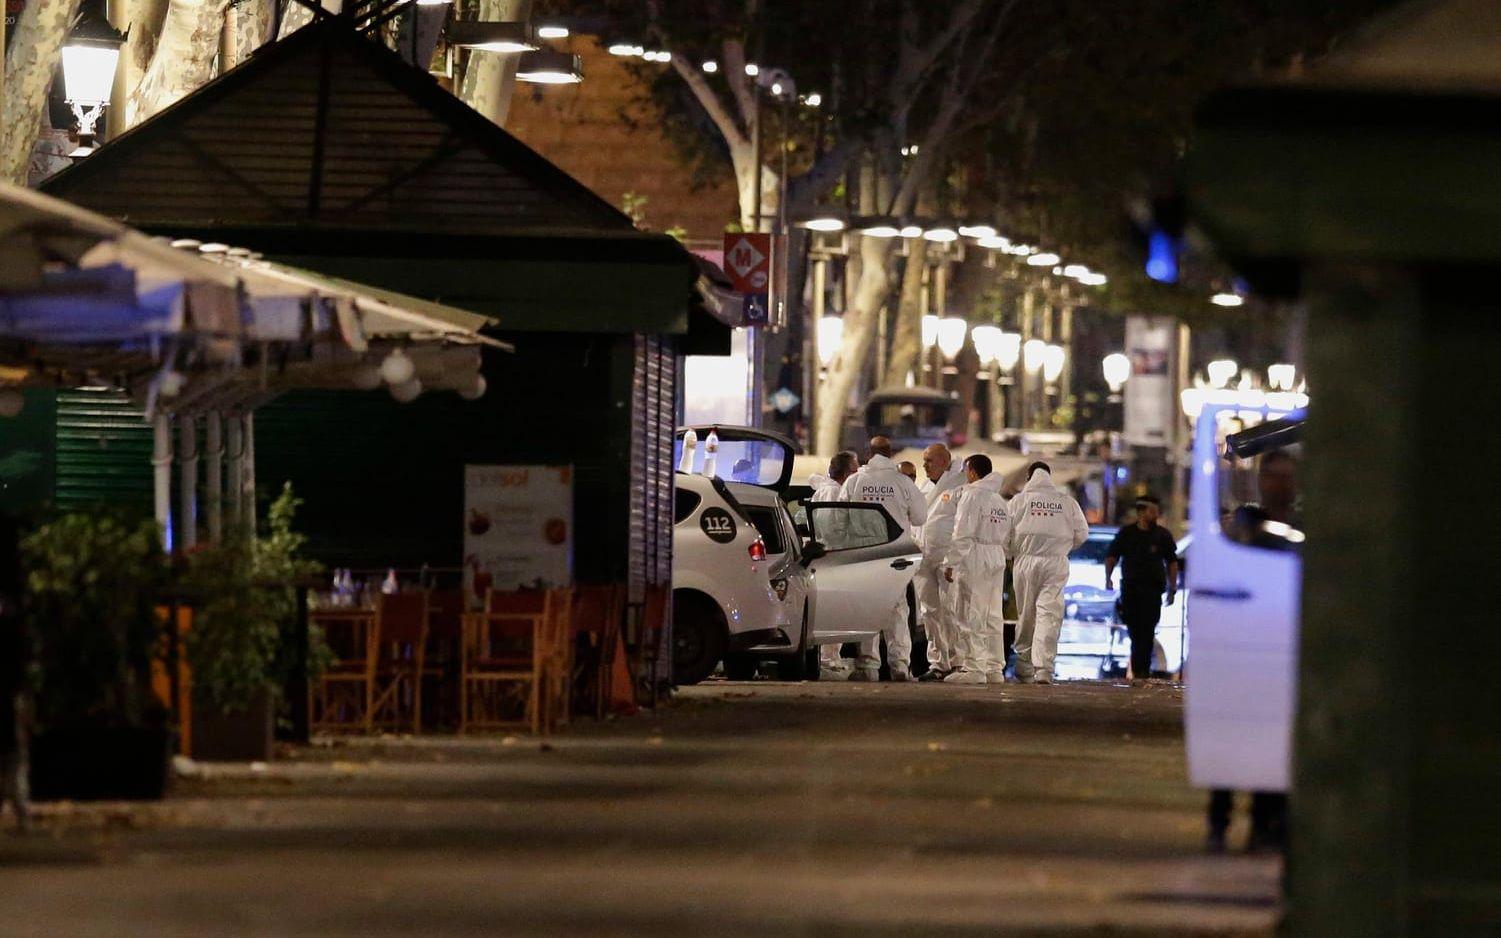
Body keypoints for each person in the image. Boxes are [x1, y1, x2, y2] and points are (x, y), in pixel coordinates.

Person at [1207, 450, 1298, 853]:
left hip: (1282, 647)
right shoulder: (1244, 528)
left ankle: (1267, 822)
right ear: (1262, 481)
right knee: (1233, 736)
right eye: (1274, 476)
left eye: (1286, 476)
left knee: (1275, 740)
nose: (1280, 483)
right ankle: (1220, 818)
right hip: (1245, 647)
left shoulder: (1301, 530)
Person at [839, 435, 927, 681]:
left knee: (866, 608)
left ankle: (868, 666)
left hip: (864, 553)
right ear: (890, 453)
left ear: (869, 453)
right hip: (895, 553)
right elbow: (920, 518)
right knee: (897, 609)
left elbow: (838, 518)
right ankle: (899, 665)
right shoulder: (903, 483)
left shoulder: (855, 482)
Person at [1008, 461, 1088, 684]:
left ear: (1029, 477)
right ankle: (1044, 668)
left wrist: (1013, 551)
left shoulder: (1019, 502)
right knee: (1049, 613)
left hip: (1025, 563)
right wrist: (1062, 548)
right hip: (1055, 564)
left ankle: (1024, 665)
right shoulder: (1067, 503)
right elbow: (1082, 533)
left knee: (1026, 614)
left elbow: (1005, 532)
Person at [942, 454, 1010, 684]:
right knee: (992, 613)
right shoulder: (998, 499)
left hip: (975, 555)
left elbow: (962, 532)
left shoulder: (972, 495)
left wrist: (951, 562)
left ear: (972, 471)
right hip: (996, 555)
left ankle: (973, 667)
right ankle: (993, 667)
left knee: (970, 609)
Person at [1104, 495, 1179, 682]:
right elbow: (1112, 556)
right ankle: (1139, 671)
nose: (1156, 515)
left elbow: (1172, 562)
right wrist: (1108, 578)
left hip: (1152, 592)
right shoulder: (1127, 534)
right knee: (1135, 631)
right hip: (1131, 591)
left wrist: (1172, 588)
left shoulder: (1162, 535)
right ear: (1141, 513)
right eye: (1152, 511)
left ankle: (1141, 671)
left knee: (1148, 631)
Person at [913, 444, 966, 682]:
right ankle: (938, 663)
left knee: (951, 611)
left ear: (944, 462)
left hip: (946, 560)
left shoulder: (959, 486)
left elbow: (961, 525)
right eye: (924, 461)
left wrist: (954, 558)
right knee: (930, 613)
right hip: (925, 558)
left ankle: (958, 662)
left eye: (929, 461)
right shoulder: (923, 488)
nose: (924, 465)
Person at [809, 451, 860, 676]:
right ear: (848, 472)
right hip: (834, 558)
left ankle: (829, 657)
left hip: (826, 558)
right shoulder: (834, 492)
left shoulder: (823, 491)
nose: (857, 474)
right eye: (855, 469)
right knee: (835, 610)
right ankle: (829, 659)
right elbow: (832, 529)